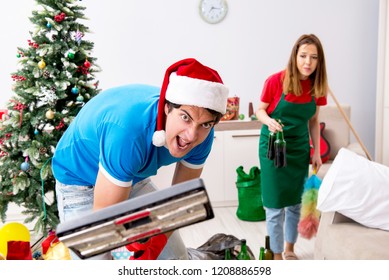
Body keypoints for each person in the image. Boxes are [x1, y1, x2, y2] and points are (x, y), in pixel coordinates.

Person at [52, 58, 229, 260]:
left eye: (205, 124)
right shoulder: (128, 133)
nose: (191, 135)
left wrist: (155, 246)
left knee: (175, 260)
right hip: (79, 181)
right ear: (167, 108)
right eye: (185, 117)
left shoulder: (202, 137)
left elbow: (179, 201)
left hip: (131, 176)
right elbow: (103, 220)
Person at [255, 34, 328, 260]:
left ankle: (289, 249)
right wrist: (268, 121)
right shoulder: (276, 81)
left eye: (314, 57)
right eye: (303, 55)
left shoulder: (317, 87)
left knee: (296, 203)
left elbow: (314, 121)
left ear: (319, 61)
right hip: (274, 149)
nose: (308, 62)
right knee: (275, 206)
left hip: (298, 150)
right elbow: (260, 110)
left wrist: (315, 151)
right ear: (295, 56)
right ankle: (276, 254)